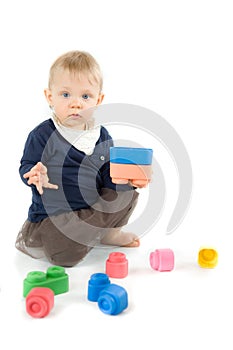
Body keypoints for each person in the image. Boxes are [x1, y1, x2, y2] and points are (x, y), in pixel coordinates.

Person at [15, 50, 141, 267]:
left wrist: (126, 179)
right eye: (65, 95)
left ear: (98, 100)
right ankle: (87, 235)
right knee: (65, 255)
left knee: (126, 193)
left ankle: (109, 233)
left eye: (85, 96)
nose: (76, 104)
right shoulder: (43, 135)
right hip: (56, 216)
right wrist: (34, 174)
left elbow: (107, 173)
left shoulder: (101, 136)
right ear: (50, 97)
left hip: (92, 208)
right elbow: (27, 165)